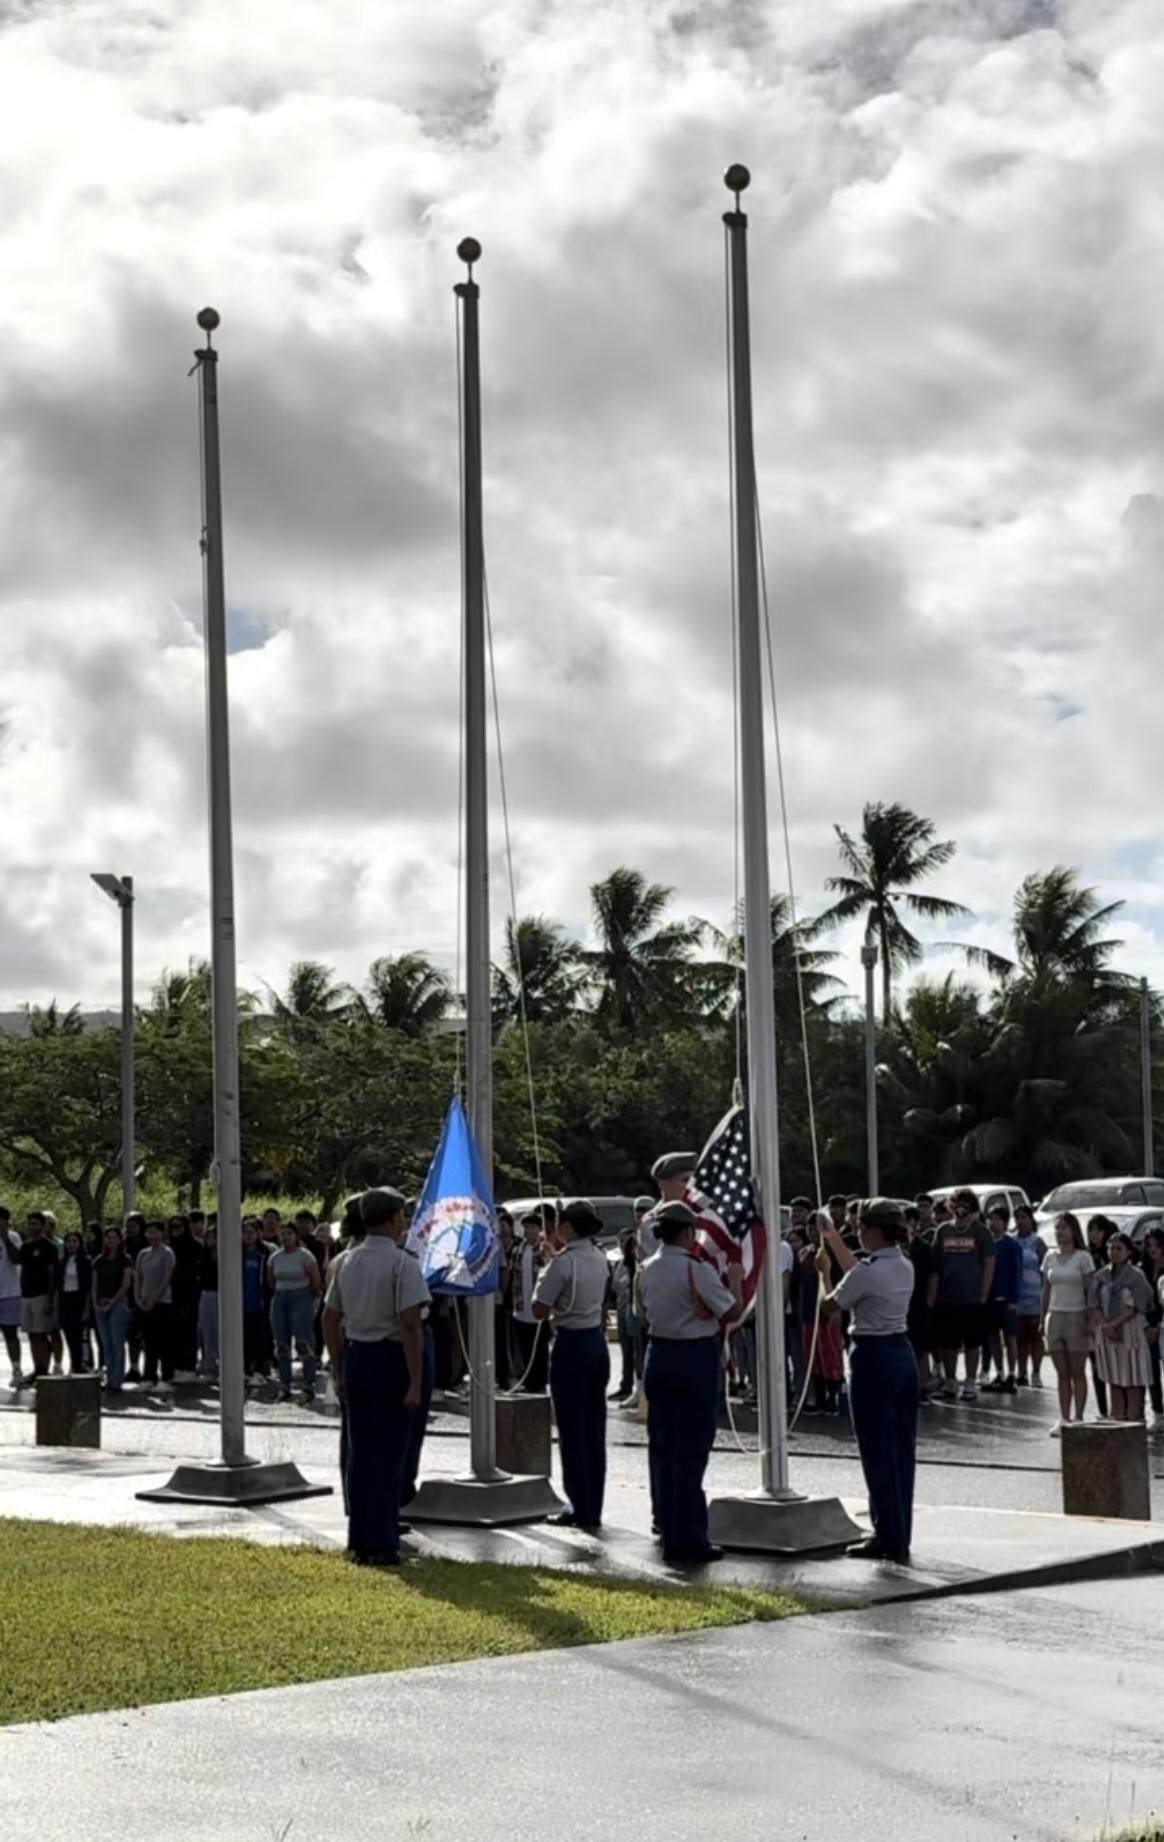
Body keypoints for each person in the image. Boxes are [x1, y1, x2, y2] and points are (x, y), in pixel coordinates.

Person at [323, 1186, 428, 1567]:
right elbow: (411, 1325)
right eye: (402, 1216)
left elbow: (329, 1318)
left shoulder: (346, 1261)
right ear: (393, 1219)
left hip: (357, 1355)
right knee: (389, 1454)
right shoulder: (402, 1264)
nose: (404, 1222)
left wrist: (338, 1369)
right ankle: (383, 1543)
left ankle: (360, 1538)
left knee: (361, 1452)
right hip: (390, 1356)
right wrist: (415, 1381)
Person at [816, 1199, 918, 1565]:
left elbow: (831, 1304)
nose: (857, 1235)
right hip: (902, 1353)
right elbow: (859, 1274)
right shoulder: (903, 1264)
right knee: (901, 1449)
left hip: (872, 1356)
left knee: (876, 1449)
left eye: (860, 1229)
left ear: (873, 1232)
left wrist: (824, 1273)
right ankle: (898, 1530)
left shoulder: (867, 1272)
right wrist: (833, 1240)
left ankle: (886, 1534)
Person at [638, 1199, 738, 1566]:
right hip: (693, 1356)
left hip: (659, 1353)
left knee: (663, 1447)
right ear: (686, 1232)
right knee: (692, 1449)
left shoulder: (646, 1269)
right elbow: (730, 1309)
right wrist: (736, 1283)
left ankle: (666, 1523)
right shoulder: (696, 1269)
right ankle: (690, 1536)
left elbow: (640, 1312)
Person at [534, 1199, 612, 1530]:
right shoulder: (599, 1257)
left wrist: (545, 1267)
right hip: (596, 1340)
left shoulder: (563, 1263)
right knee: (594, 1427)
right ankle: (593, 1501)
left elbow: (539, 1308)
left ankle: (579, 1504)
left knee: (571, 1428)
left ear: (567, 1228)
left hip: (571, 1343)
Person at [927, 1187, 995, 1401]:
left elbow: (990, 1262)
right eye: (957, 1205)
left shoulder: (981, 1232)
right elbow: (935, 1268)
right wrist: (932, 1298)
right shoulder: (943, 1231)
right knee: (949, 1344)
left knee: (973, 1343)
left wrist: (983, 1293)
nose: (961, 1210)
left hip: (973, 1299)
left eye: (965, 1205)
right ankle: (950, 1383)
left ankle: (970, 1384)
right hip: (947, 1298)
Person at [1041, 1212, 1096, 1434]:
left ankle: (1079, 1416)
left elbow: (1090, 1290)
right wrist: (1042, 1317)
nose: (1060, 1232)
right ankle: (1064, 1417)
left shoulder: (1083, 1258)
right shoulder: (1050, 1257)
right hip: (1055, 1316)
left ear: (1073, 1230)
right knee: (1062, 1372)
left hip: (1076, 1315)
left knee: (1077, 1371)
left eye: (1064, 1228)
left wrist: (1090, 1318)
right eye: (1057, 1228)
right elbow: (1046, 1290)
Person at [1093, 1232, 1153, 1423]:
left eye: (1119, 1248)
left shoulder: (1136, 1276)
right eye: (1111, 1248)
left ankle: (1134, 1419)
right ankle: (1117, 1417)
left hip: (1130, 1332)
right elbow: (1094, 1304)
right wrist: (1105, 1326)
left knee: (1132, 1377)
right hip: (1107, 1334)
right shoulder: (1101, 1276)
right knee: (1114, 1377)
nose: (1114, 1252)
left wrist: (1113, 1324)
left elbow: (1135, 1307)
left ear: (1128, 1252)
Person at [268, 1222, 322, 1404]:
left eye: (289, 1233)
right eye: (282, 1234)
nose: (285, 1237)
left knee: (303, 1342)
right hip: (280, 1298)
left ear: (295, 1236)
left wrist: (309, 1299)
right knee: (281, 1344)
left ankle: (308, 1384)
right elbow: (271, 1280)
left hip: (301, 1297)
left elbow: (315, 1281)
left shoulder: (305, 1255)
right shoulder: (275, 1257)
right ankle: (285, 1385)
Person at [800, 1213, 844, 1414]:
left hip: (828, 1312)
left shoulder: (832, 1252)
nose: (812, 1232)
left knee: (830, 1356)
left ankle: (833, 1398)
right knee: (813, 1359)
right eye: (809, 1228)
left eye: (816, 1228)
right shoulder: (804, 1253)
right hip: (808, 1312)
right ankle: (819, 1398)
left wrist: (837, 1310)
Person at [16, 1210, 60, 1384]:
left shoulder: (49, 1247)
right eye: (29, 1224)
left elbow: (52, 1274)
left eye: (35, 1224)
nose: (31, 1227)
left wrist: (50, 1299)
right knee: (32, 1335)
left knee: (41, 1334)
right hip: (26, 1295)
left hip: (42, 1295)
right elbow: (23, 1270)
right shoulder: (25, 1247)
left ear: (42, 1226)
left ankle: (44, 1370)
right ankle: (37, 1368)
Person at [134, 1220, 177, 1394]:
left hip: (163, 1303)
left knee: (164, 1341)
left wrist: (154, 1299)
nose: (152, 1236)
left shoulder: (167, 1253)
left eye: (155, 1232)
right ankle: (149, 1377)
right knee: (149, 1342)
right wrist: (138, 1298)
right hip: (144, 1303)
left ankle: (166, 1377)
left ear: (162, 1233)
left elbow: (166, 1279)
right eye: (149, 1232)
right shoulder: (143, 1254)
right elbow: (138, 1277)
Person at [91, 1226, 133, 1392]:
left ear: (120, 1240)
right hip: (100, 1304)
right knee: (106, 1344)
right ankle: (109, 1378)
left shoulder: (125, 1260)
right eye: (108, 1237)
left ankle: (117, 1380)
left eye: (114, 1237)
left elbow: (126, 1284)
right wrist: (95, 1304)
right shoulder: (99, 1261)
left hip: (118, 1304)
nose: (111, 1241)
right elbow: (94, 1284)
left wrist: (112, 1303)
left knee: (117, 1343)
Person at [983, 1206, 1021, 1393]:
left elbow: (1017, 1273)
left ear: (1004, 1222)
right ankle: (999, 1373)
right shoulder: (986, 1244)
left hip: (1006, 1299)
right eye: (990, 1219)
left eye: (997, 1219)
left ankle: (1012, 1374)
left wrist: (1014, 1298)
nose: (993, 1223)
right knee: (992, 1337)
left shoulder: (1011, 1245)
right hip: (989, 1298)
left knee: (1010, 1337)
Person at [510, 1211, 548, 1392]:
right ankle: (528, 1380)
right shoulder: (518, 1250)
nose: (529, 1231)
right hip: (521, 1305)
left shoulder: (543, 1249)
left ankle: (540, 1382)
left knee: (539, 1347)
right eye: (526, 1227)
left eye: (533, 1227)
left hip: (538, 1307)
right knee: (524, 1346)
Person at [904, 1206, 936, 1401]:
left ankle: (923, 1386)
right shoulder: (895, 1248)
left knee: (921, 1349)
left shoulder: (924, 1248)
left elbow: (934, 1275)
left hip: (919, 1304)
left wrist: (929, 1302)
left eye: (909, 1221)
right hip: (900, 1306)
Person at [639, 1153, 698, 1259]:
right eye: (685, 1180)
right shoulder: (651, 1221)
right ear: (662, 1183)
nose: (691, 1187)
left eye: (693, 1181)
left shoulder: (703, 1213)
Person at [1013, 1205, 1048, 1386]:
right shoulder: (1012, 1241)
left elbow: (1045, 1269)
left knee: (1035, 1335)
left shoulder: (1038, 1242)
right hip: (1018, 1294)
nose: (1021, 1221)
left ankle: (1036, 1371)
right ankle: (1021, 1371)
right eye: (1018, 1218)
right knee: (1020, 1335)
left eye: (1024, 1217)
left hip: (1035, 1294)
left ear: (1030, 1219)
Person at [1085, 1215, 1115, 1417]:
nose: (1094, 1235)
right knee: (1096, 1364)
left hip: (1113, 1315)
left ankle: (1118, 1408)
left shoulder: (1113, 1255)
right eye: (1091, 1230)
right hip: (1093, 1315)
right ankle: (1103, 1410)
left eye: (1098, 1230)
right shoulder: (1087, 1256)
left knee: (1114, 1364)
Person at [167, 1214, 202, 1383]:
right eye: (172, 1226)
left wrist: (190, 1299)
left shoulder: (195, 1246)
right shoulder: (169, 1247)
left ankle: (189, 1367)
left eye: (178, 1226)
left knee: (188, 1332)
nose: (175, 1230)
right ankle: (176, 1366)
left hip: (189, 1294)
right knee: (173, 1333)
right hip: (170, 1295)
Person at [610, 1229, 642, 1403]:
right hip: (621, 1310)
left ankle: (638, 1387)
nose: (623, 1245)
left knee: (636, 1350)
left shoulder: (636, 1263)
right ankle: (625, 1385)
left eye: (626, 1242)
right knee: (625, 1351)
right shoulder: (617, 1264)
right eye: (620, 1241)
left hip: (633, 1310)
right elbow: (613, 1288)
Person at [241, 1219, 272, 1383]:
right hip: (241, 1304)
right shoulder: (237, 1253)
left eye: (251, 1232)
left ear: (258, 1234)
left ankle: (261, 1370)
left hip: (259, 1303)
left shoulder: (264, 1253)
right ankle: (245, 1369)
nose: (248, 1236)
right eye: (245, 1232)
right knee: (244, 1339)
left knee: (260, 1338)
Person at [58, 1230, 93, 1373]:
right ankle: (74, 1364)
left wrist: (87, 1308)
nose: (71, 1245)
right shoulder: (62, 1261)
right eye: (69, 1242)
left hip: (80, 1300)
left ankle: (85, 1364)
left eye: (74, 1242)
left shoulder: (86, 1261)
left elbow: (88, 1286)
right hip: (66, 1300)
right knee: (69, 1335)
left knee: (82, 1337)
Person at [1142, 1226, 1164, 1433]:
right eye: (1149, 1245)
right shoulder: (1143, 1270)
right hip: (1147, 1327)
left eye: (1157, 1245)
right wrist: (1149, 1326)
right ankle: (1157, 1412)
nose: (1153, 1249)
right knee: (1151, 1372)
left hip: (1161, 1325)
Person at [0, 1208, 24, 1386]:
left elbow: (17, 1259)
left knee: (10, 1334)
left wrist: (5, 1237)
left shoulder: (13, 1237)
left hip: (10, 1293)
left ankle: (16, 1369)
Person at [197, 1224, 219, 1381]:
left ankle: (222, 1363)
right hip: (206, 1293)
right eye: (209, 1237)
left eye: (215, 1237)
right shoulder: (202, 1254)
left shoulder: (229, 1254)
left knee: (220, 1329)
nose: (212, 1241)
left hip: (222, 1293)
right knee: (206, 1330)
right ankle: (208, 1364)